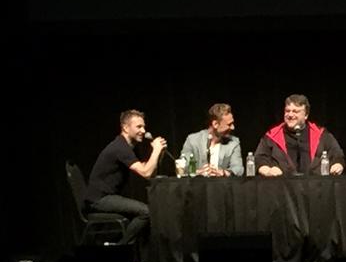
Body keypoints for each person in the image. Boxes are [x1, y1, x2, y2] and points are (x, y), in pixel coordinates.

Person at [84, 109, 167, 247]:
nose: (143, 131)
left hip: (107, 196)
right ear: (126, 128)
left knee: (147, 212)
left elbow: (149, 173)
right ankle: (121, 249)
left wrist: (158, 154)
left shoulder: (129, 146)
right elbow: (146, 173)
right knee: (146, 212)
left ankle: (140, 255)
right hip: (99, 199)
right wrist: (156, 150)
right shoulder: (120, 147)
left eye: (144, 127)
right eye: (139, 127)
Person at [255, 94, 345, 176]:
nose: (290, 115)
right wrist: (267, 171)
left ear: (306, 115)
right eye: (287, 111)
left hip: (315, 185)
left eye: (295, 111)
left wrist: (337, 165)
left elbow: (337, 155)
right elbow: (259, 159)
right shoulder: (272, 136)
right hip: (281, 186)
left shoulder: (321, 134)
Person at [180, 103, 244, 177]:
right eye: (229, 124)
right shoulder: (193, 140)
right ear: (215, 124)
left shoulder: (234, 142)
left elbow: (238, 169)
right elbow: (182, 167)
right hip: (197, 184)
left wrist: (223, 173)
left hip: (223, 184)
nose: (233, 127)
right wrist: (198, 172)